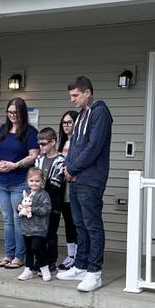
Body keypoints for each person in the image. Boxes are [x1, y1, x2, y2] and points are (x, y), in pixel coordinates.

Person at [58, 77, 112, 292]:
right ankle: (80, 265)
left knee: (92, 225)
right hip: (77, 178)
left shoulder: (100, 113)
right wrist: (67, 167)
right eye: (71, 96)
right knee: (79, 224)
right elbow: (75, 145)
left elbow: (93, 147)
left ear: (88, 92)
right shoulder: (81, 116)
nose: (72, 100)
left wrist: (72, 168)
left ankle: (94, 272)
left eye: (75, 95)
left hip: (91, 179)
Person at [0, 97, 39, 270]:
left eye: (16, 113)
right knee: (7, 219)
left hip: (19, 182)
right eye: (10, 112)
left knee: (19, 219)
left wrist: (15, 165)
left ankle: (20, 256)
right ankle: (8, 255)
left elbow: (33, 155)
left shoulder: (30, 132)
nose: (12, 116)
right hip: (1, 182)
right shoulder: (2, 130)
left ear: (22, 113)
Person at [34, 127, 67, 273]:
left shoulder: (61, 160)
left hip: (53, 203)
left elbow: (55, 184)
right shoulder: (39, 159)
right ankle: (40, 261)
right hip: (38, 203)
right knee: (39, 233)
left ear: (53, 142)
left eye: (43, 144)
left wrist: (41, 190)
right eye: (38, 144)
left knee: (50, 233)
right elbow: (34, 179)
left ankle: (51, 261)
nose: (40, 147)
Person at [16, 167, 53, 282]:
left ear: (42, 181)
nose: (34, 183)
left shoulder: (44, 195)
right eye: (31, 181)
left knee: (36, 247)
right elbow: (19, 205)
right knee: (28, 250)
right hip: (26, 228)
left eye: (37, 181)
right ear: (27, 181)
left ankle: (44, 267)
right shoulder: (25, 193)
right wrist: (19, 207)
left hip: (39, 228)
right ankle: (28, 269)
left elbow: (46, 210)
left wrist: (32, 209)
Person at [56, 110, 78, 270]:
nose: (66, 125)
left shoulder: (78, 143)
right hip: (62, 189)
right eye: (64, 122)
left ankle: (78, 255)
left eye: (69, 122)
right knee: (68, 223)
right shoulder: (63, 143)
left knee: (75, 222)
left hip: (74, 189)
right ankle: (71, 255)